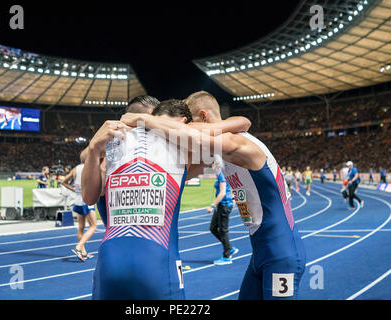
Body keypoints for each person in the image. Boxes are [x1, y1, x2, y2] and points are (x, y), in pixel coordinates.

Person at [122, 91, 306, 300]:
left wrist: (144, 119)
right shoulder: (219, 150)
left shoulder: (238, 144)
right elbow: (186, 166)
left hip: (282, 253)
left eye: (191, 121)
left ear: (204, 117)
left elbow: (190, 133)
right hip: (261, 253)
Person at [83, 99, 251, 300]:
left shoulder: (108, 148)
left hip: (108, 263)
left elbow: (88, 196)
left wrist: (94, 147)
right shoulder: (179, 144)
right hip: (158, 262)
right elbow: (241, 123)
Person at [62, 163, 97, 261]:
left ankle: (83, 253)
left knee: (81, 227)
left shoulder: (75, 169)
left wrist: (75, 190)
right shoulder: (90, 167)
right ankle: (78, 247)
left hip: (77, 200)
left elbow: (63, 182)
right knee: (93, 227)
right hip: (87, 200)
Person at [208, 161, 238, 265]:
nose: (211, 166)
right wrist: (234, 198)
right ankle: (229, 247)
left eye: (212, 164)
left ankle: (227, 257)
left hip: (224, 205)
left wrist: (212, 206)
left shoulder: (221, 174)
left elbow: (222, 193)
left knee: (223, 230)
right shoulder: (223, 173)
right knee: (213, 228)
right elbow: (233, 186)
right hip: (223, 205)